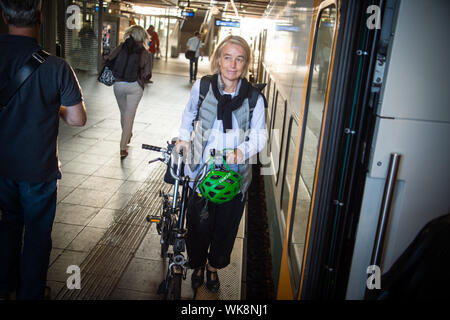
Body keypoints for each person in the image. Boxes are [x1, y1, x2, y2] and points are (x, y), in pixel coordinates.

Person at [0, 0, 86, 300]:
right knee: (37, 232)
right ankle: (30, 293)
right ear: (40, 17)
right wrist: (56, 107)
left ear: (3, 16)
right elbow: (77, 119)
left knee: (8, 223)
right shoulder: (56, 66)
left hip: (1, 166)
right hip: (38, 169)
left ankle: (3, 285)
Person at [176, 35, 267, 293]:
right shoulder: (202, 87)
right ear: (218, 59)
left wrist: (242, 150)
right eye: (227, 57)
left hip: (233, 177)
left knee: (224, 230)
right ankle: (198, 265)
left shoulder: (253, 99)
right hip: (199, 173)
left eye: (239, 59)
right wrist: (183, 139)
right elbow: (188, 113)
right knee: (197, 226)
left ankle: (213, 267)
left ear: (246, 64)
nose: (232, 65)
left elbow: (260, 135)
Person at [106, 25, 152, 158]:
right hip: (134, 86)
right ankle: (123, 147)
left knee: (124, 113)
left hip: (118, 84)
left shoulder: (121, 47)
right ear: (143, 36)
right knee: (129, 116)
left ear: (130, 34)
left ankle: (127, 135)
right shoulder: (144, 52)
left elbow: (109, 58)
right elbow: (148, 74)